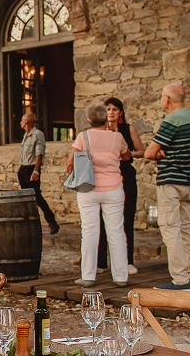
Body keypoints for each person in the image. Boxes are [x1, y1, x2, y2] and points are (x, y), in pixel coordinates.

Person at [144, 83, 190, 291]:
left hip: (171, 180)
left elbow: (149, 153)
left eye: (161, 96)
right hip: (189, 181)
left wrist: (160, 151)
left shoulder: (172, 120)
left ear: (167, 98)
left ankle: (180, 280)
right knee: (186, 228)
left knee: (170, 228)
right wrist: (160, 150)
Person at [67, 102, 131, 287]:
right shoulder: (117, 137)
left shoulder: (83, 136)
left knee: (89, 231)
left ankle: (88, 275)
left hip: (89, 188)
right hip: (113, 188)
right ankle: (120, 276)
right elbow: (126, 156)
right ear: (106, 118)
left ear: (88, 119)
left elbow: (70, 162)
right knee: (116, 231)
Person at [97, 97, 147, 274]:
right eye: (108, 109)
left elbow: (142, 151)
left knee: (126, 217)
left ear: (120, 112)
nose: (111, 112)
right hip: (105, 176)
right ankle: (101, 262)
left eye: (114, 109)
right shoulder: (100, 131)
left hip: (125, 174)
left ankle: (127, 261)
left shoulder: (128, 129)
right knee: (102, 218)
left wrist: (127, 153)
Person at [17, 112, 61, 234]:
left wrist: (36, 170)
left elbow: (39, 153)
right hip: (24, 169)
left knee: (36, 196)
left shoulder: (37, 135)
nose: (20, 123)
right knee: (26, 198)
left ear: (26, 122)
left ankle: (51, 221)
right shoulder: (26, 136)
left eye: (22, 120)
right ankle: (29, 224)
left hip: (32, 168)